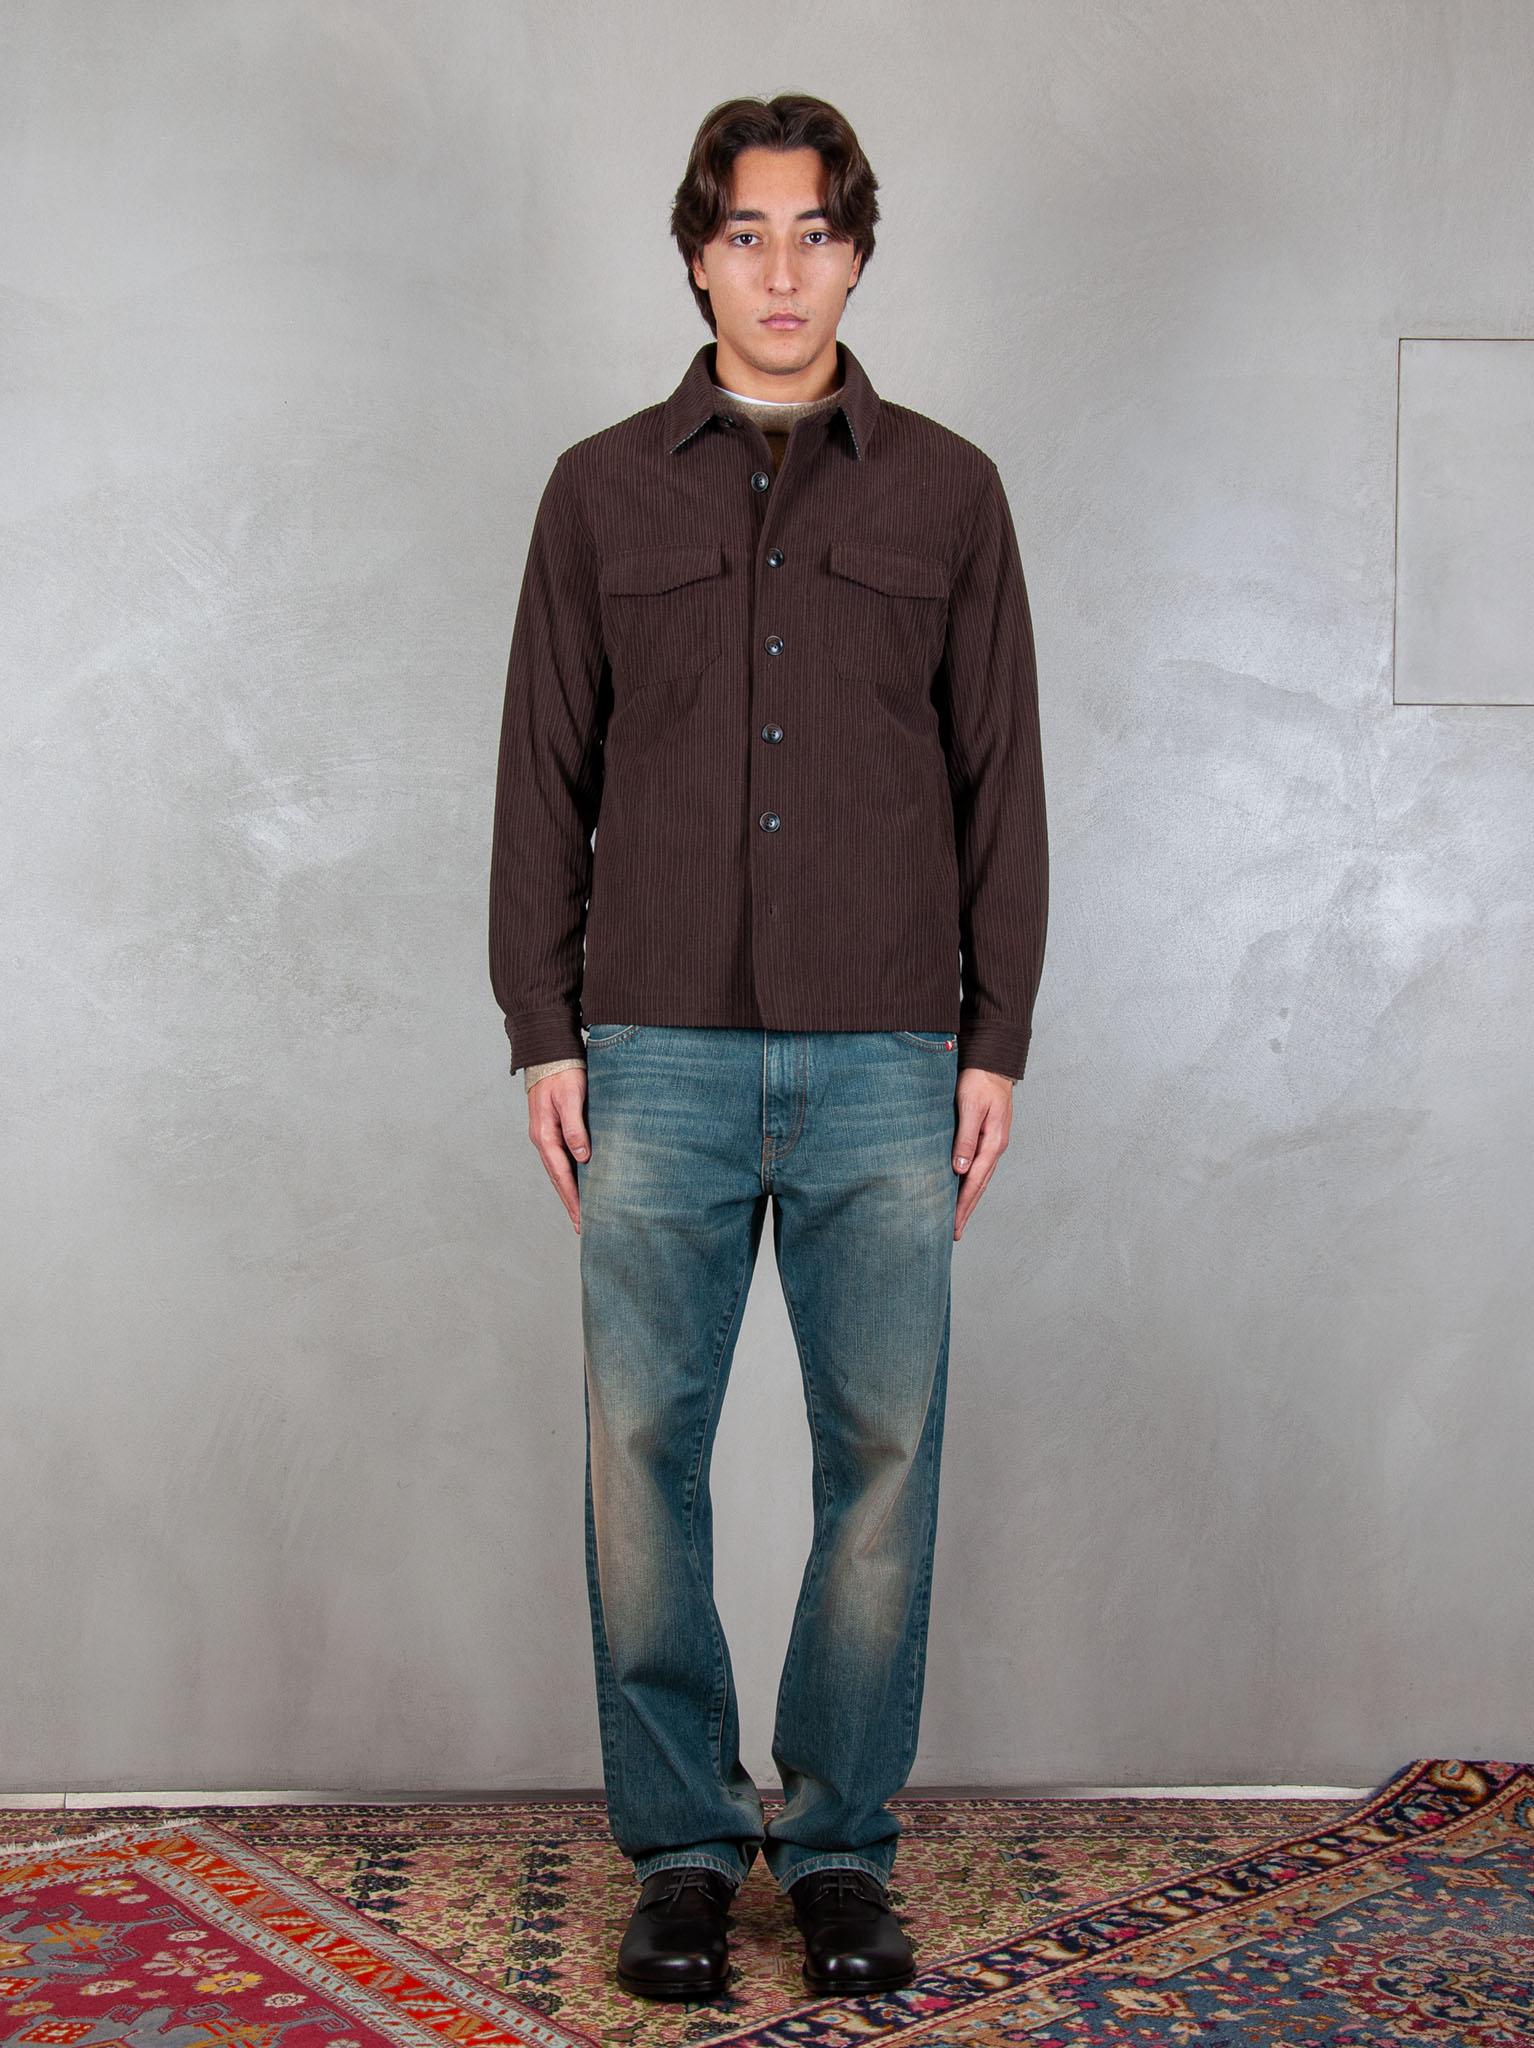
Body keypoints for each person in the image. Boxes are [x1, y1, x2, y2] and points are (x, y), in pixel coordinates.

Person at [488, 91, 1048, 2003]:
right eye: (746, 232)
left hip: (891, 1053)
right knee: (639, 1452)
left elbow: (1000, 779)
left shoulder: (949, 493)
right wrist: (541, 1030)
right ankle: (677, 1851)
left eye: (814, 231)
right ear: (696, 254)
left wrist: (996, 1038)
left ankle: (833, 1851)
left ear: (859, 253)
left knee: (879, 1457)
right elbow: (539, 775)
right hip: (651, 1050)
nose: (781, 269)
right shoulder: (597, 492)